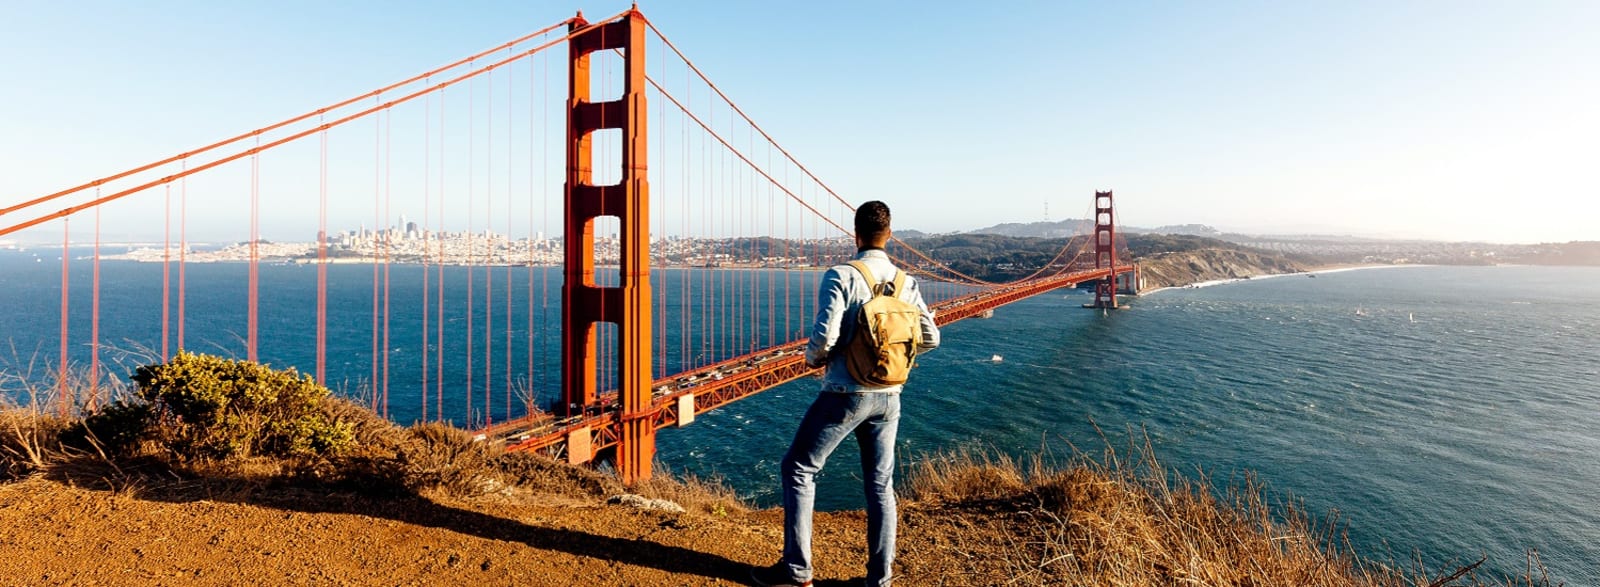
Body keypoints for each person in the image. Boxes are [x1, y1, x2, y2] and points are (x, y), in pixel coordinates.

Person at [752, 201, 940, 587]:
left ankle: (797, 571)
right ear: (889, 235)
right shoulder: (908, 282)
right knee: (880, 484)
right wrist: (897, 355)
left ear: (855, 234)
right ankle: (880, 580)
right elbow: (932, 338)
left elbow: (824, 337)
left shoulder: (841, 274)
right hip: (890, 395)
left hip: (844, 392)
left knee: (799, 468)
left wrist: (812, 360)